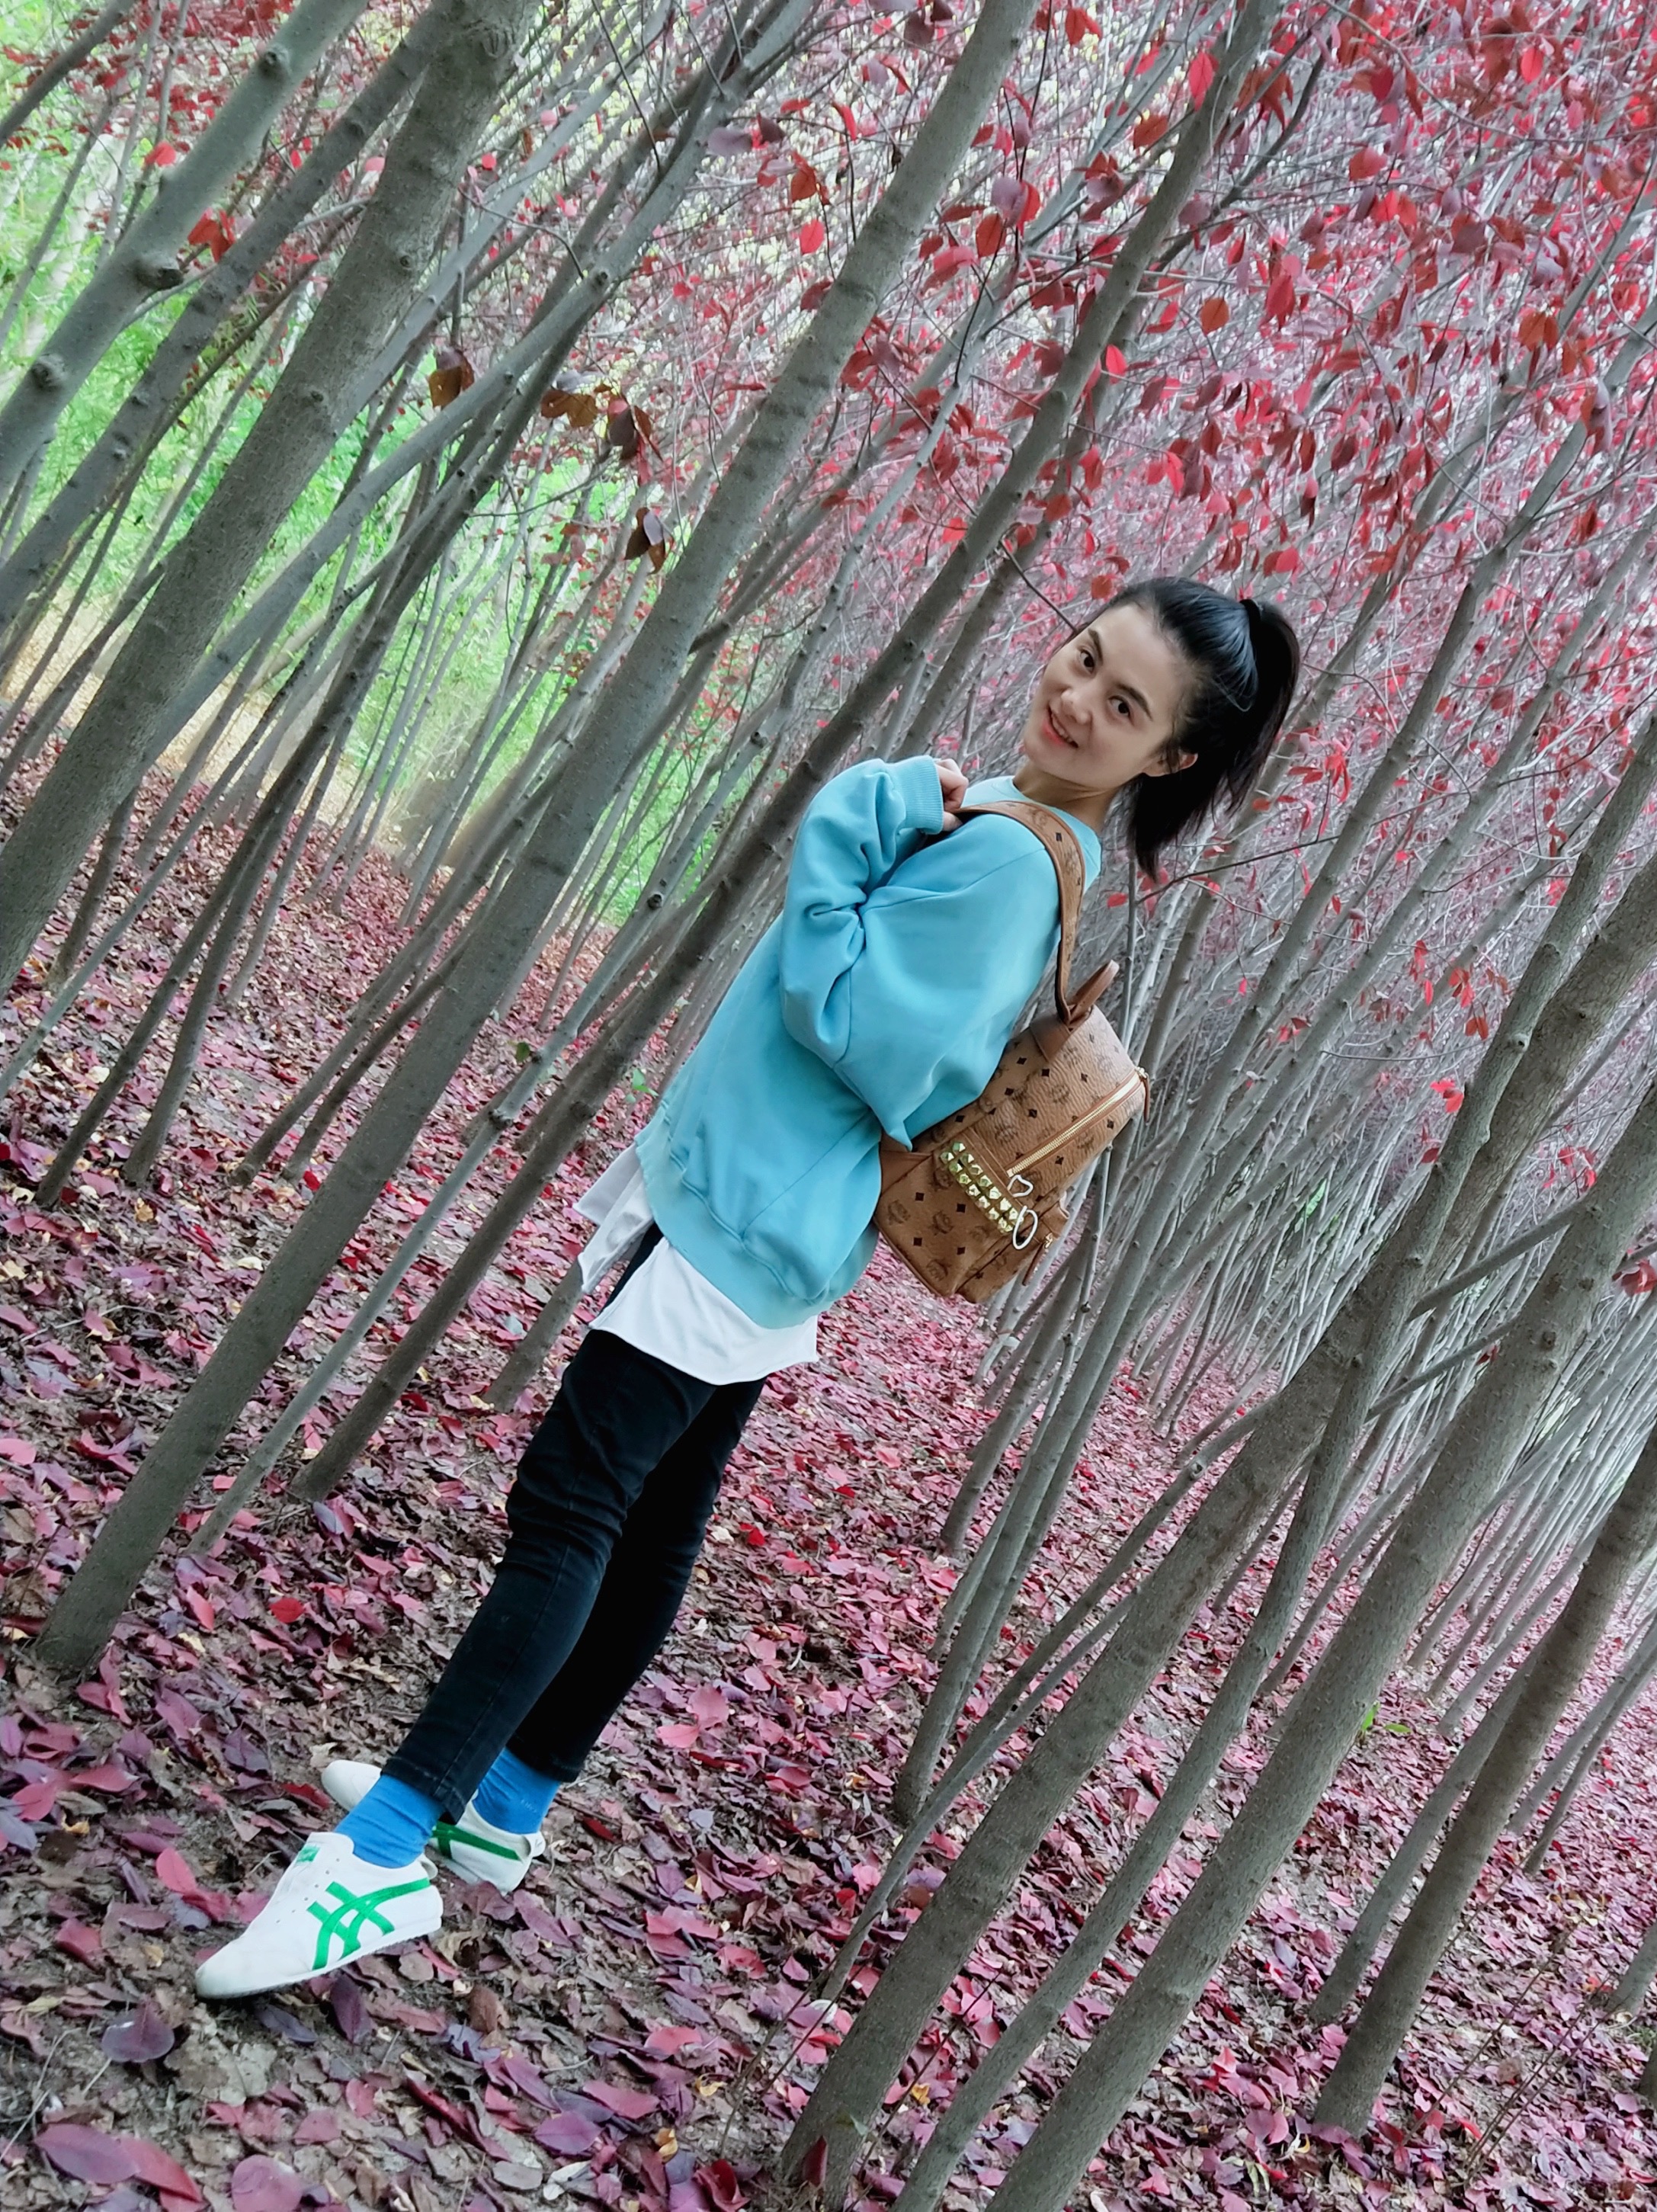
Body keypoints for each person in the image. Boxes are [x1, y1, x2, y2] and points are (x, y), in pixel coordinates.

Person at [194, 580, 1300, 1999]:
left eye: (1124, 704)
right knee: (654, 1520)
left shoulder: (1011, 861)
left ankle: (383, 1853)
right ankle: (505, 1804)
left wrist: (856, 811)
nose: (1076, 698)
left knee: (570, 1510)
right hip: (766, 1211)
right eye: (1084, 656)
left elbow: (858, 1029)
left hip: (748, 1216)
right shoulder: (1024, 831)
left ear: (1169, 757)